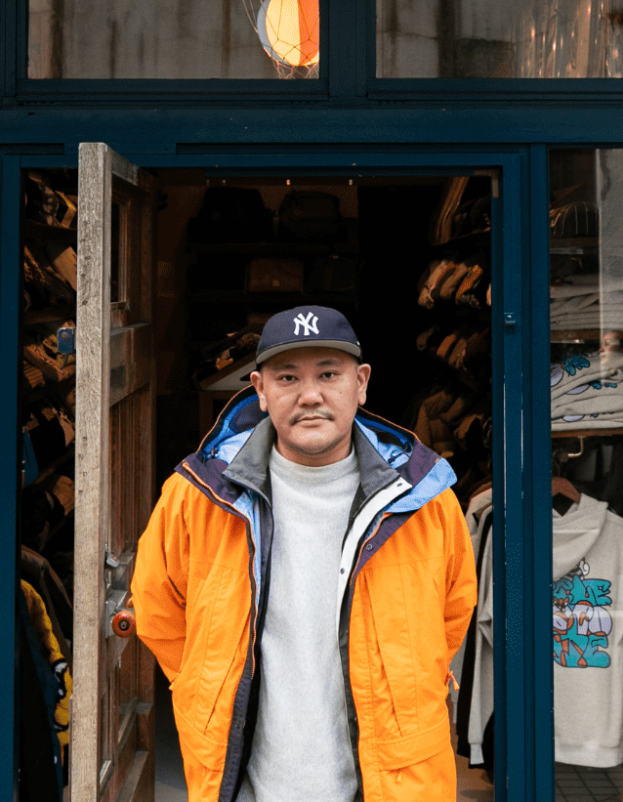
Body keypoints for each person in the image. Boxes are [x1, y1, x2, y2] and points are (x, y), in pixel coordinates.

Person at [132, 305, 476, 802]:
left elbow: (452, 612)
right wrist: (207, 686)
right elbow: (158, 610)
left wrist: (401, 683)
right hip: (247, 785)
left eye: (329, 374)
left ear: (360, 383)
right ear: (260, 390)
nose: (310, 395)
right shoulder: (199, 496)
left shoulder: (423, 499)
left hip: (394, 783)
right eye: (288, 376)